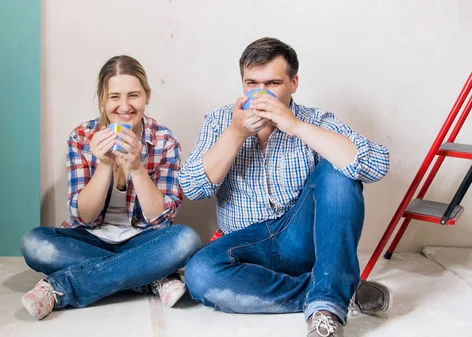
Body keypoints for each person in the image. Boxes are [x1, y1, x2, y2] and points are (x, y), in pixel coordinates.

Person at [179, 37, 392, 337]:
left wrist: (295, 126)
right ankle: (333, 291)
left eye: (273, 84)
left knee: (339, 168)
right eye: (252, 83)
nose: (261, 94)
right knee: (199, 273)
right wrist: (236, 134)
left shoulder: (314, 120)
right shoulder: (220, 121)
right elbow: (192, 188)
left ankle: (328, 307)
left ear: (294, 82)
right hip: (247, 245)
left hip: (300, 237)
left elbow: (376, 164)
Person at [20, 55, 201, 320]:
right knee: (35, 244)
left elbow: (161, 218)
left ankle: (61, 287)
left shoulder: (164, 140)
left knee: (186, 240)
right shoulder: (81, 137)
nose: (125, 106)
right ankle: (148, 276)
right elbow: (84, 216)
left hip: (144, 238)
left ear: (147, 96)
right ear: (102, 99)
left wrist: (137, 167)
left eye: (134, 95)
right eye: (114, 96)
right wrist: (103, 165)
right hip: (90, 238)